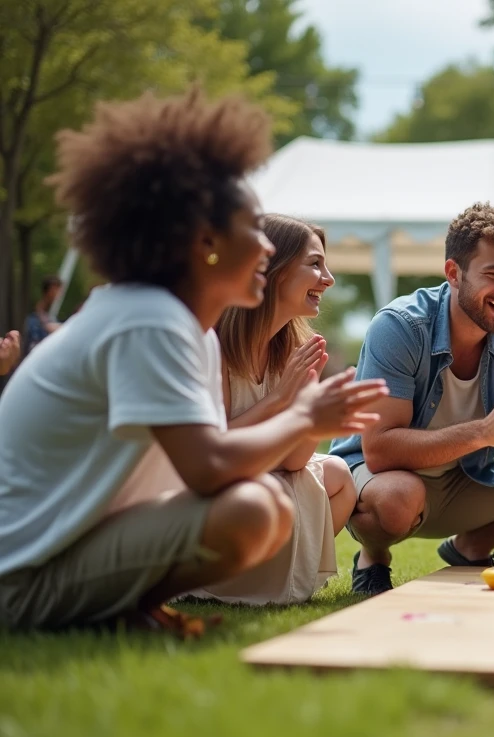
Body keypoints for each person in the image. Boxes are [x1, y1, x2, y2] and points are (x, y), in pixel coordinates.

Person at [0, 89, 387, 635]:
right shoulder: (148, 319)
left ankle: (128, 610)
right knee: (253, 509)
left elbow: (206, 464)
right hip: (21, 579)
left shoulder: (183, 327)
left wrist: (301, 415)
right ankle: (116, 611)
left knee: (264, 503)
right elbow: (208, 467)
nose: (265, 248)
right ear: (206, 243)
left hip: (70, 550)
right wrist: (302, 414)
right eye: (251, 229)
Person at [330, 202, 494, 596]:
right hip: (384, 478)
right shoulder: (400, 326)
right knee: (399, 498)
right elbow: (379, 450)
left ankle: (470, 548)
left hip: (468, 476)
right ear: (454, 273)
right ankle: (374, 555)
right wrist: (483, 432)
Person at [188, 214, 354, 605]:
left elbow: (296, 461)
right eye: (315, 264)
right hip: (215, 476)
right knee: (275, 490)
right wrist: (279, 400)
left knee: (339, 474)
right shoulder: (215, 343)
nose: (328, 279)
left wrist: (313, 411)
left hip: (269, 464)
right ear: (275, 271)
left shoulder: (295, 348)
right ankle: (225, 581)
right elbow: (213, 446)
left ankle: (288, 575)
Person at [24, 277, 63, 353]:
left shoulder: (49, 311)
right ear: (51, 289)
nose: (59, 294)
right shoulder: (39, 312)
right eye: (57, 290)